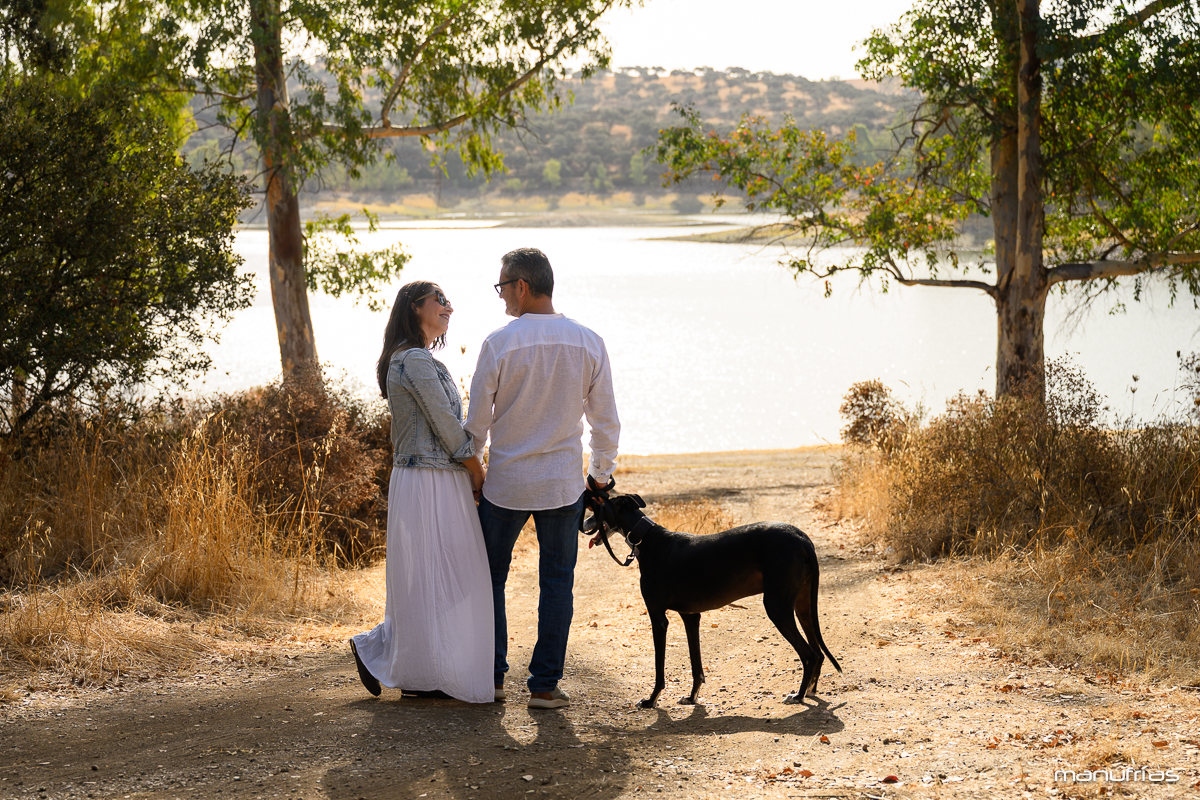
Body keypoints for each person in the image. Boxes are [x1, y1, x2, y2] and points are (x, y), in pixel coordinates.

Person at [465, 247, 620, 709]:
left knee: (489, 578)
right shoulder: (589, 341)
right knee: (557, 582)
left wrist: (474, 469)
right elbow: (605, 423)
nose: (502, 298)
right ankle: (544, 687)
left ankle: (490, 678)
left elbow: (476, 423)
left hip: (506, 483)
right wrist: (599, 478)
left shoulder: (499, 343)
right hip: (561, 485)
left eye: (502, 288)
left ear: (522, 287)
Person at [350, 280, 494, 704]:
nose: (449, 306)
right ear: (415, 309)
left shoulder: (425, 359)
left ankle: (411, 662)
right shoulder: (412, 359)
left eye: (449, 299)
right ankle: (407, 665)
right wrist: (475, 467)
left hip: (438, 477)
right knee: (433, 575)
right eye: (440, 300)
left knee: (446, 575)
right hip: (426, 479)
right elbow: (445, 424)